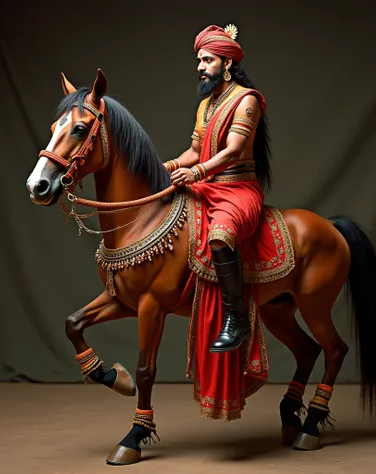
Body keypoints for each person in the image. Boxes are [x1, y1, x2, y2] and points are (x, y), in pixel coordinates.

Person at [163, 24, 272, 353]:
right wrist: (167, 167)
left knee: (220, 236)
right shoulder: (205, 105)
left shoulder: (246, 101)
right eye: (199, 60)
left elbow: (234, 150)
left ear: (227, 64)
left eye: (208, 60)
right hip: (208, 186)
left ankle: (236, 318)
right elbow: (194, 151)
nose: (200, 67)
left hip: (238, 190)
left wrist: (195, 172)